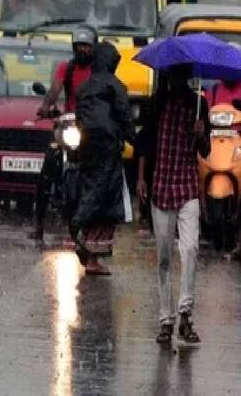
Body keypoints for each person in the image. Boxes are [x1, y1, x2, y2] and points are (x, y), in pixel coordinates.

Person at [136, 65, 209, 345]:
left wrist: (201, 133)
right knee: (164, 257)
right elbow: (144, 143)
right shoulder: (158, 103)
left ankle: (185, 315)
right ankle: (166, 320)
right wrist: (141, 178)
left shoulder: (199, 105)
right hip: (161, 187)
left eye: (181, 77)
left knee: (189, 249)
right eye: (172, 77)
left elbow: (205, 151)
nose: (177, 82)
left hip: (187, 185)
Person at [72, 42, 135, 275]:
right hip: (109, 150)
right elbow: (125, 116)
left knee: (90, 191)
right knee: (106, 202)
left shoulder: (84, 87)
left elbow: (80, 117)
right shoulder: (116, 86)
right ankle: (91, 253)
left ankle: (86, 244)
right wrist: (135, 141)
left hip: (87, 148)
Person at [30, 25, 96, 241]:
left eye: (87, 46)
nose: (83, 50)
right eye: (79, 46)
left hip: (91, 127)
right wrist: (45, 107)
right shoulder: (66, 69)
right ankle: (39, 224)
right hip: (68, 125)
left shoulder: (98, 72)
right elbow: (54, 90)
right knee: (48, 164)